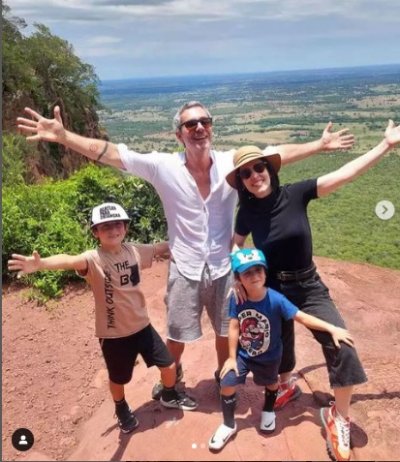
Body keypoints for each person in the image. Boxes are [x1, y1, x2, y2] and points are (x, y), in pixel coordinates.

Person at [17, 102, 355, 399]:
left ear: (211, 128)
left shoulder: (230, 166)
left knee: (226, 330)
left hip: (223, 267)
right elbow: (112, 153)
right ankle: (171, 378)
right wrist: (65, 137)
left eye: (203, 122)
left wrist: (320, 145)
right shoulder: (163, 166)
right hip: (185, 265)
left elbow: (271, 153)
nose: (198, 128)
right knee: (177, 332)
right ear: (179, 134)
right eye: (189, 124)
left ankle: (226, 377)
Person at [226, 120, 400, 461]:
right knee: (278, 345)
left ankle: (339, 415)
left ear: (270, 170)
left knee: (341, 342)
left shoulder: (296, 192)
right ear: (242, 183)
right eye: (246, 173)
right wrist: (238, 275)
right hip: (271, 286)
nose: (254, 175)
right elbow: (236, 244)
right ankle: (287, 384)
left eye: (259, 167)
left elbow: (345, 174)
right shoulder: (246, 211)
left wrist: (385, 146)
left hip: (307, 284)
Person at [7, 202, 197, 434]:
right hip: (114, 334)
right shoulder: (93, 258)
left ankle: (168, 395)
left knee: (168, 365)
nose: (112, 230)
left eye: (117, 224)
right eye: (104, 226)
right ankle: (121, 407)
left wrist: (185, 243)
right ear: (95, 232)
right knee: (119, 379)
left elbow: (158, 248)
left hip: (143, 327)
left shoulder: (134, 250)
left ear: (125, 228)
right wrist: (41, 264)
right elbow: (69, 259)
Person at [209, 248, 354, 451]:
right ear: (238, 278)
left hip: (269, 357)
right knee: (227, 381)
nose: (254, 276)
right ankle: (228, 423)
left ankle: (268, 411)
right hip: (244, 355)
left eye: (258, 270)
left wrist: (332, 327)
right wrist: (231, 357)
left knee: (271, 385)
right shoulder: (238, 298)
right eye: (247, 273)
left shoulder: (276, 299)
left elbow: (302, 317)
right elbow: (233, 327)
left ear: (266, 273)